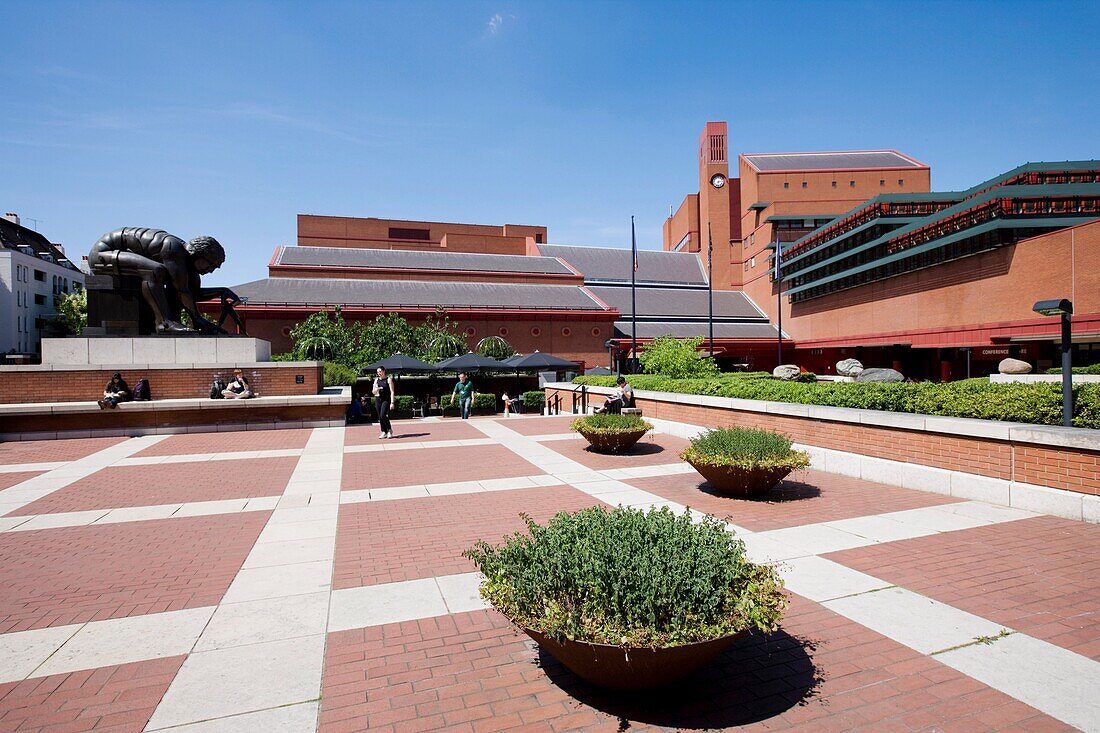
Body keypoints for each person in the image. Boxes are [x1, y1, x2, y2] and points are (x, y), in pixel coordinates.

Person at [88, 227, 226, 333]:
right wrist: (197, 319)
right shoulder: (174, 249)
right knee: (155, 270)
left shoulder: (186, 260)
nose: (211, 271)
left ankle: (171, 321)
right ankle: (164, 323)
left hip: (122, 255)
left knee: (162, 272)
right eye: (211, 265)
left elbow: (192, 294)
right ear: (200, 256)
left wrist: (222, 292)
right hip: (101, 255)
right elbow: (181, 290)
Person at [373, 366, 396, 438]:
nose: (379, 373)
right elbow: (373, 391)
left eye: (380, 371)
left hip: (386, 400)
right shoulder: (376, 380)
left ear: (384, 371)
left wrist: (392, 402)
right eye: (377, 372)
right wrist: (376, 390)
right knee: (380, 417)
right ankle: (384, 431)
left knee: (383, 415)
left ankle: (389, 430)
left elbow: (392, 392)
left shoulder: (388, 380)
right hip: (378, 399)